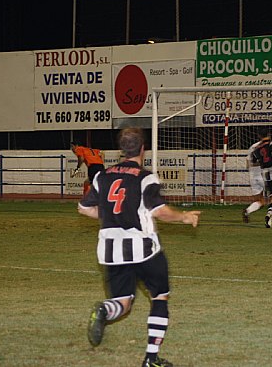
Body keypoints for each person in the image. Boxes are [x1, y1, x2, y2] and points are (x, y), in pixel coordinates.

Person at [77, 128, 201, 367]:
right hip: (143, 248)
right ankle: (151, 358)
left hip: (110, 249)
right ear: (143, 148)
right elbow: (160, 212)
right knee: (159, 296)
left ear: (121, 150)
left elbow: (83, 208)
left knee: (122, 303)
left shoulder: (102, 176)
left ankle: (104, 309)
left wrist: (112, 217)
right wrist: (185, 217)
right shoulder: (146, 178)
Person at [242, 139, 272, 224]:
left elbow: (248, 163)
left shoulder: (252, 147)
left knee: (259, 201)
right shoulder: (266, 146)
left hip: (253, 176)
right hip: (263, 175)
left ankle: (247, 211)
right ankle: (271, 217)